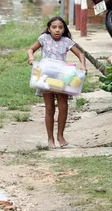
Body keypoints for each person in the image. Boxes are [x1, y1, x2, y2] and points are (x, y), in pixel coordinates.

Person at [27, 17, 87, 149]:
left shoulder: (66, 41)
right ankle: (50, 138)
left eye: (60, 27)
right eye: (54, 27)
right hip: (45, 77)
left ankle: (60, 135)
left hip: (62, 77)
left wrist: (83, 65)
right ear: (49, 29)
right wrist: (31, 58)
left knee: (63, 106)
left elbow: (80, 54)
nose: (57, 30)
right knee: (49, 108)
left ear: (64, 29)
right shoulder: (43, 38)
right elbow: (31, 49)